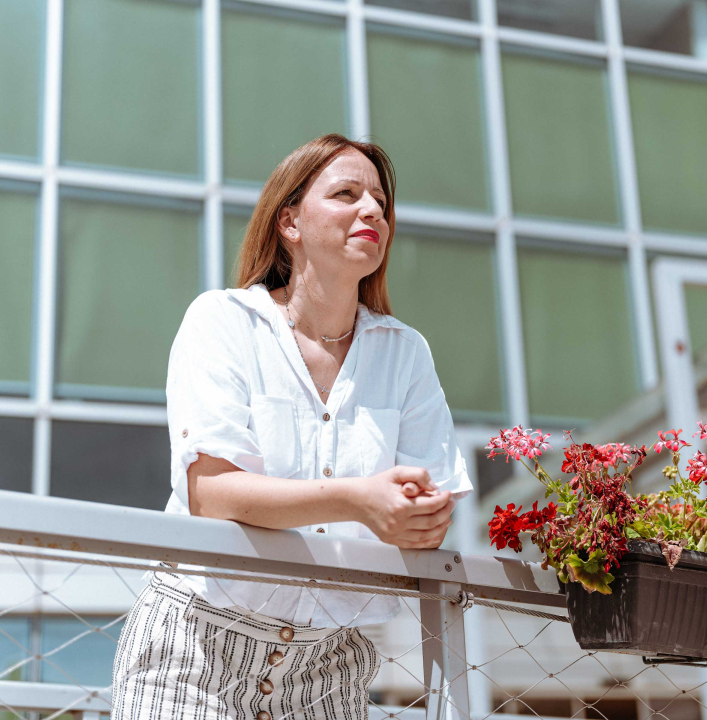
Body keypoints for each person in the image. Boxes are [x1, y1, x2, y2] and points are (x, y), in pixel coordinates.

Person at [111, 134, 473, 719]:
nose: (373, 210)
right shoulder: (223, 322)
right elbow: (211, 492)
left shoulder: (406, 352)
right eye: (347, 194)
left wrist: (419, 517)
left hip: (330, 667)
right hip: (196, 651)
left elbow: (428, 514)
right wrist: (358, 500)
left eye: (380, 201)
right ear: (290, 221)